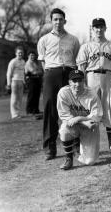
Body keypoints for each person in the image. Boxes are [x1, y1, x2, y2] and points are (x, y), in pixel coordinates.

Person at [37, 8, 80, 160]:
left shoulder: (73, 39)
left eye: (60, 19)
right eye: (55, 19)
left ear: (64, 21)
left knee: (72, 107)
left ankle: (75, 144)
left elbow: (75, 57)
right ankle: (50, 147)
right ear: (51, 21)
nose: (58, 22)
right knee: (50, 108)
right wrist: (51, 73)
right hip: (51, 73)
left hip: (68, 73)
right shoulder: (44, 39)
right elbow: (42, 60)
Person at [76, 18, 111, 155]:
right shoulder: (86, 47)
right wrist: (81, 85)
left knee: (109, 110)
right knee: (90, 111)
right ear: (92, 29)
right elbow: (81, 68)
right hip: (91, 77)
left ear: (105, 28)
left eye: (101, 27)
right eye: (96, 27)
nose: (98, 30)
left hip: (108, 77)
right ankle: (87, 147)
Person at [57, 70, 102, 170]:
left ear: (84, 81)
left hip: (89, 126)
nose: (77, 84)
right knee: (64, 128)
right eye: (74, 81)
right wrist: (81, 121)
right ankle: (69, 158)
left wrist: (79, 118)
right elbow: (64, 115)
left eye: (80, 81)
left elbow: (97, 116)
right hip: (76, 125)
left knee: (90, 161)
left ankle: (78, 146)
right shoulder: (63, 93)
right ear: (69, 82)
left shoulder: (92, 94)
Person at [6, 46, 26, 119]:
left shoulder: (23, 62)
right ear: (16, 53)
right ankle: (14, 114)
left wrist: (24, 82)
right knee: (14, 98)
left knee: (20, 98)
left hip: (21, 81)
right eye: (19, 53)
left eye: (21, 53)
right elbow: (9, 73)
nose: (20, 54)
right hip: (14, 81)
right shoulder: (13, 61)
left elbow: (23, 73)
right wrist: (8, 84)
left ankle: (18, 113)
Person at [25, 51, 44, 119]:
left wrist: (39, 72)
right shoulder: (28, 63)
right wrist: (38, 72)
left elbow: (41, 71)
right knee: (31, 96)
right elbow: (34, 71)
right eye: (31, 55)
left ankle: (36, 110)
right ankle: (29, 111)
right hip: (31, 81)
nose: (32, 57)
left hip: (36, 80)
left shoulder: (35, 63)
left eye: (33, 55)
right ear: (28, 56)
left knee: (37, 95)